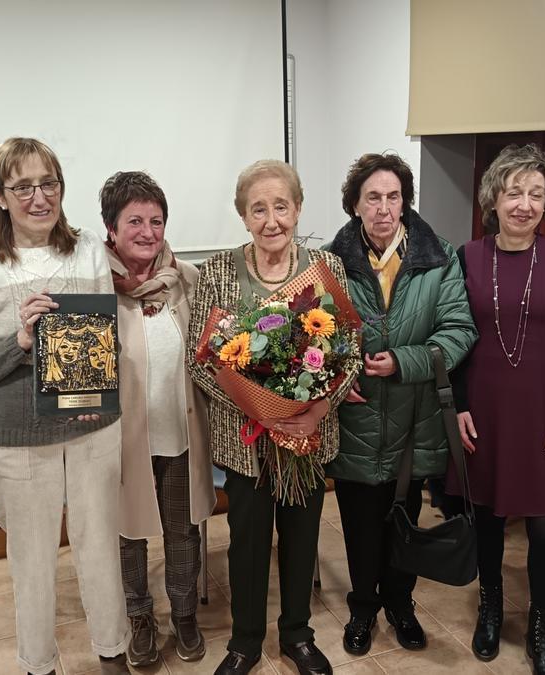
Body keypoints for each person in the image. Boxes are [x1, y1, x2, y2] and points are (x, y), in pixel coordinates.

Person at [0, 138, 130, 675]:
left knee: (99, 547)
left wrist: (89, 368)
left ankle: (112, 650)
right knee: (31, 563)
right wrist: (22, 343)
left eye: (48, 183)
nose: (38, 197)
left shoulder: (88, 248)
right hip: (18, 438)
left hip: (91, 427)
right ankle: (39, 663)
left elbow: (108, 341)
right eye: (22, 186)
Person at [186, 159, 360, 675]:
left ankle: (297, 636)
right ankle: (244, 642)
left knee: (303, 539)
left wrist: (319, 408)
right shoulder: (217, 271)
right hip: (245, 441)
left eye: (280, 206)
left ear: (298, 208)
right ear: (243, 216)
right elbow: (201, 362)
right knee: (247, 543)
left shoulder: (326, 269)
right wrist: (258, 409)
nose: (271, 220)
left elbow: (348, 352)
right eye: (257, 209)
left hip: (308, 437)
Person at [323, 152, 477, 656]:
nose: (384, 208)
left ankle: (401, 605)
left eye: (393, 197)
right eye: (373, 198)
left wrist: (405, 361)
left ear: (405, 201)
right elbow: (312, 337)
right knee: (359, 523)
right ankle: (363, 608)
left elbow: (458, 330)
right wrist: (339, 378)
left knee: (403, 518)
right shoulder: (328, 262)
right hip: (355, 417)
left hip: (415, 420)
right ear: (355, 205)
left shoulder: (440, 258)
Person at [448, 144, 545, 674]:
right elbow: (457, 338)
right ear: (495, 199)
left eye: (535, 193)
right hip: (484, 407)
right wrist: (458, 405)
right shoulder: (466, 256)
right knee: (487, 515)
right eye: (514, 193)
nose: (524, 204)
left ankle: (540, 625)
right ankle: (489, 608)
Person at [99, 171, 215, 667]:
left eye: (156, 221)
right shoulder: (92, 289)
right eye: (134, 222)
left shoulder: (188, 279)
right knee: (127, 533)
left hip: (180, 433)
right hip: (119, 441)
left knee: (182, 530)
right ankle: (139, 616)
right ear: (110, 229)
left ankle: (184, 616)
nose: (147, 232)